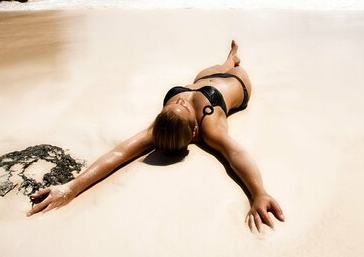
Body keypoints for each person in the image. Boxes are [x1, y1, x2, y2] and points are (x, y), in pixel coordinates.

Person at [27, 40, 284, 232]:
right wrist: (259, 193)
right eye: (179, 106)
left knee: (220, 65)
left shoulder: (164, 125)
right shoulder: (208, 127)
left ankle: (230, 57)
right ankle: (233, 62)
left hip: (205, 78)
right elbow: (235, 153)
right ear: (194, 132)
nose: (180, 99)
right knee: (230, 69)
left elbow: (118, 152)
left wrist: (70, 188)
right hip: (237, 82)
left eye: (176, 104)